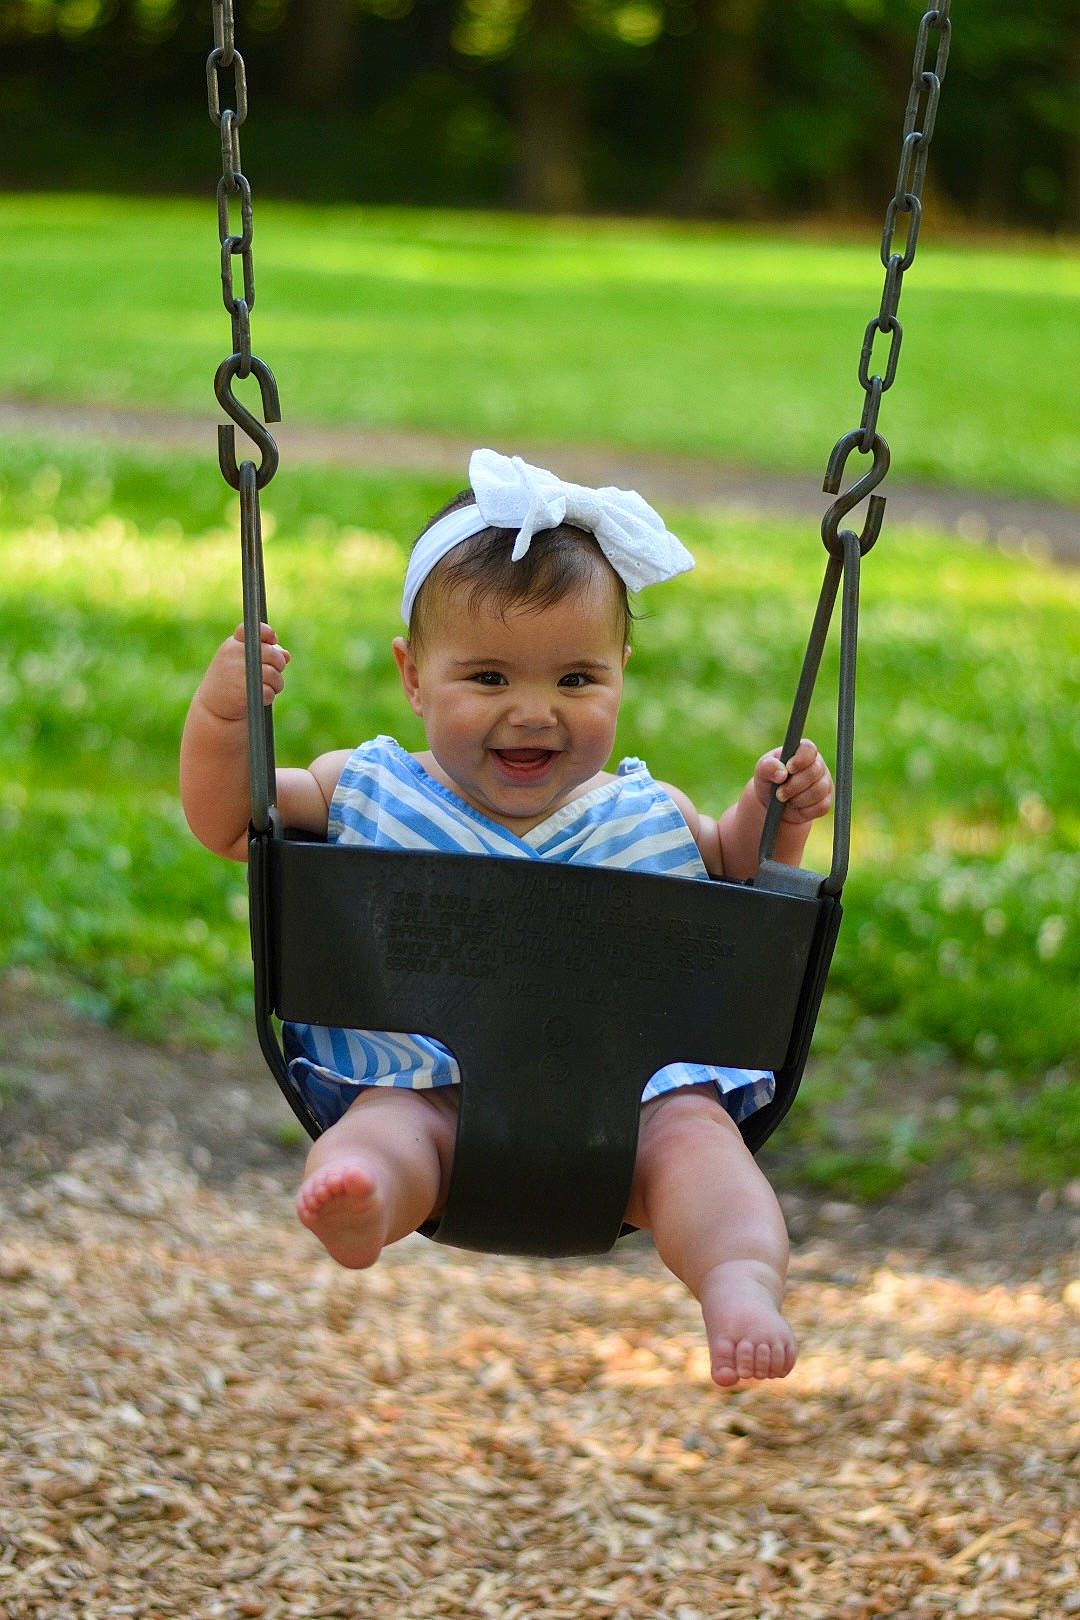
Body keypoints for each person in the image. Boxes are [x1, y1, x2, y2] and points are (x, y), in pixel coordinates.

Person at [180, 449, 833, 1388]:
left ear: (622, 673)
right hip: (431, 1089)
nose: (534, 712)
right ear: (413, 676)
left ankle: (738, 1279)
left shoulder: (649, 811)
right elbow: (229, 819)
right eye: (488, 678)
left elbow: (741, 871)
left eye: (576, 680)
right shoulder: (362, 787)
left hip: (634, 1103)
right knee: (383, 1133)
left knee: (705, 1150)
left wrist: (777, 814)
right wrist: (224, 719)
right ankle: (365, 1203)